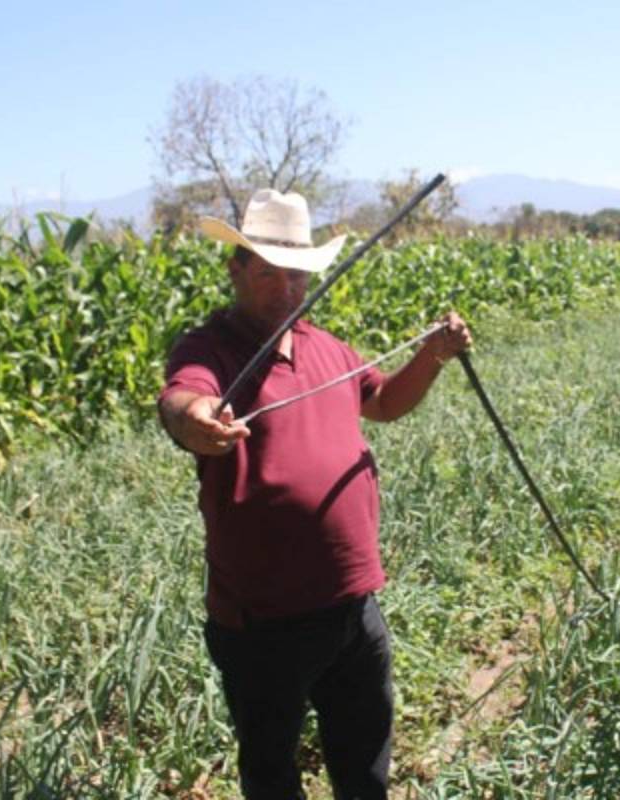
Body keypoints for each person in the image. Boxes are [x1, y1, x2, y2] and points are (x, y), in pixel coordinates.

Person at [157, 188, 471, 799]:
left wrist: (432, 356)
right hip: (264, 620)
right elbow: (182, 397)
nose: (287, 291)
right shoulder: (212, 349)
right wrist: (195, 419)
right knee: (273, 772)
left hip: (355, 605)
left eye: (297, 276)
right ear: (236, 270)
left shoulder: (327, 347)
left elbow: (381, 403)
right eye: (270, 275)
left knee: (364, 763)